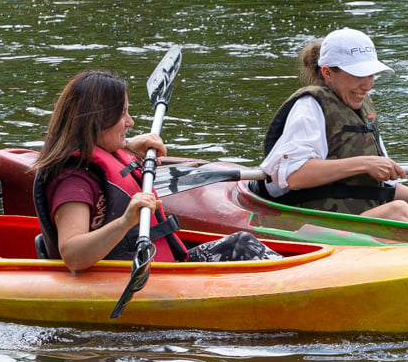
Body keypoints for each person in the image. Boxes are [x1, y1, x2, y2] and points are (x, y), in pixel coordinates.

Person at [32, 69, 279, 272]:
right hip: (129, 280)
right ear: (97, 120)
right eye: (122, 114)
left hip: (159, 269)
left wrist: (127, 146)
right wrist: (126, 221)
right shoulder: (74, 180)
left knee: (240, 244)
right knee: (243, 247)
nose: (130, 122)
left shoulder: (99, 153)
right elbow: (73, 255)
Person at [259, 28, 408, 231]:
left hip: (359, 220)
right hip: (318, 226)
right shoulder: (309, 107)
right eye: (358, 75)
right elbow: (293, 175)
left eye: (370, 74)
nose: (367, 85)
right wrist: (365, 163)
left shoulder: (359, 108)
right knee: (396, 211)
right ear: (328, 72)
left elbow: (383, 188)